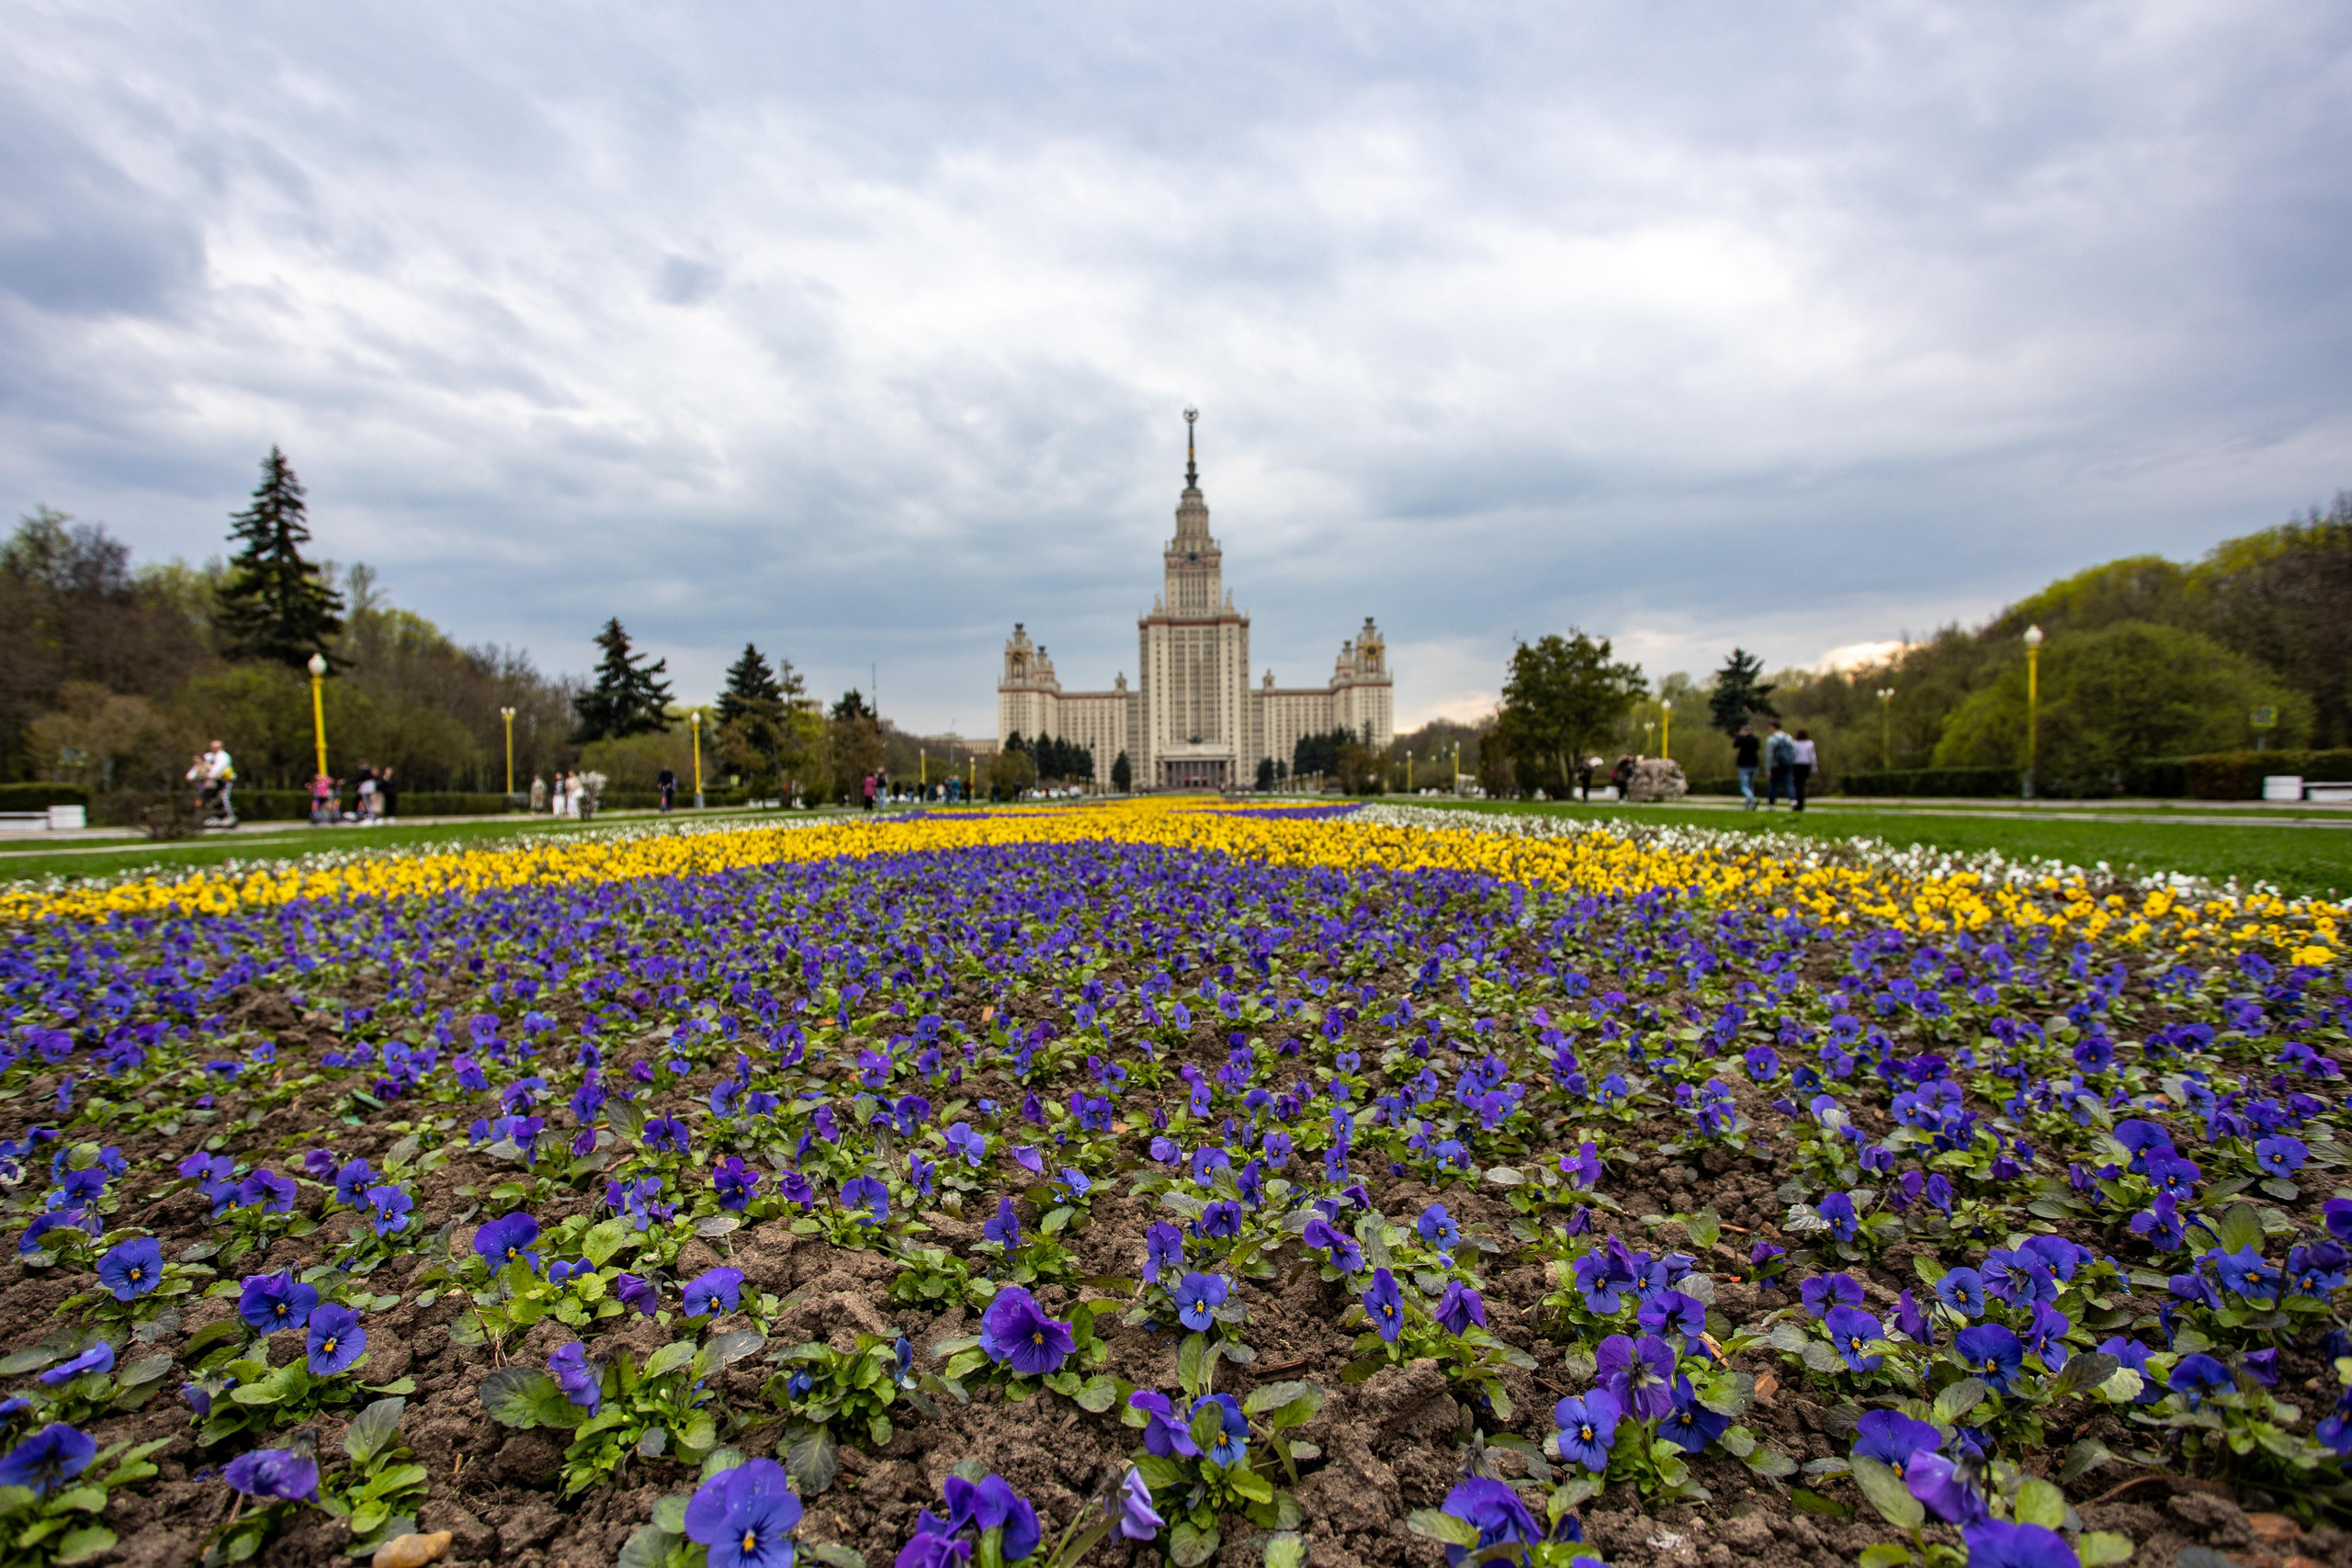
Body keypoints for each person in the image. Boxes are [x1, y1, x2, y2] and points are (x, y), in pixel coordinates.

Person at [203, 739, 236, 825]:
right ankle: (217, 817)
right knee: (213, 799)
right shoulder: (210, 756)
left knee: (224, 798)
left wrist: (210, 775)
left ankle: (230, 817)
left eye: (215, 747)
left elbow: (219, 768)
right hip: (216, 781)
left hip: (224, 780)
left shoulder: (223, 756)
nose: (213, 749)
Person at [1765, 722, 1797, 810]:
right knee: (1788, 783)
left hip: (1776, 765)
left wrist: (1768, 769)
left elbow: (1769, 755)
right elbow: (1793, 751)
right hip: (1787, 764)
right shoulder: (1788, 737)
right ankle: (1792, 800)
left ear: (1773, 728)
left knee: (1773, 784)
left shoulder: (1771, 739)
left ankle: (1771, 804)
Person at [1734, 725, 1760, 810]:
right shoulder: (1755, 740)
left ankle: (1752, 799)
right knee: (1751, 785)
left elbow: (1735, 744)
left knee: (1744, 786)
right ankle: (1749, 804)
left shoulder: (1742, 739)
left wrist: (1740, 736)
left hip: (1744, 765)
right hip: (1754, 765)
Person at [1791, 728, 1817, 813]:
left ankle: (1799, 803)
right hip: (1806, 765)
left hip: (1797, 765)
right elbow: (1813, 756)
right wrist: (1814, 767)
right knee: (1801, 784)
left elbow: (1793, 754)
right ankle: (1801, 802)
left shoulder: (1795, 743)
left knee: (1797, 785)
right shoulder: (1809, 743)